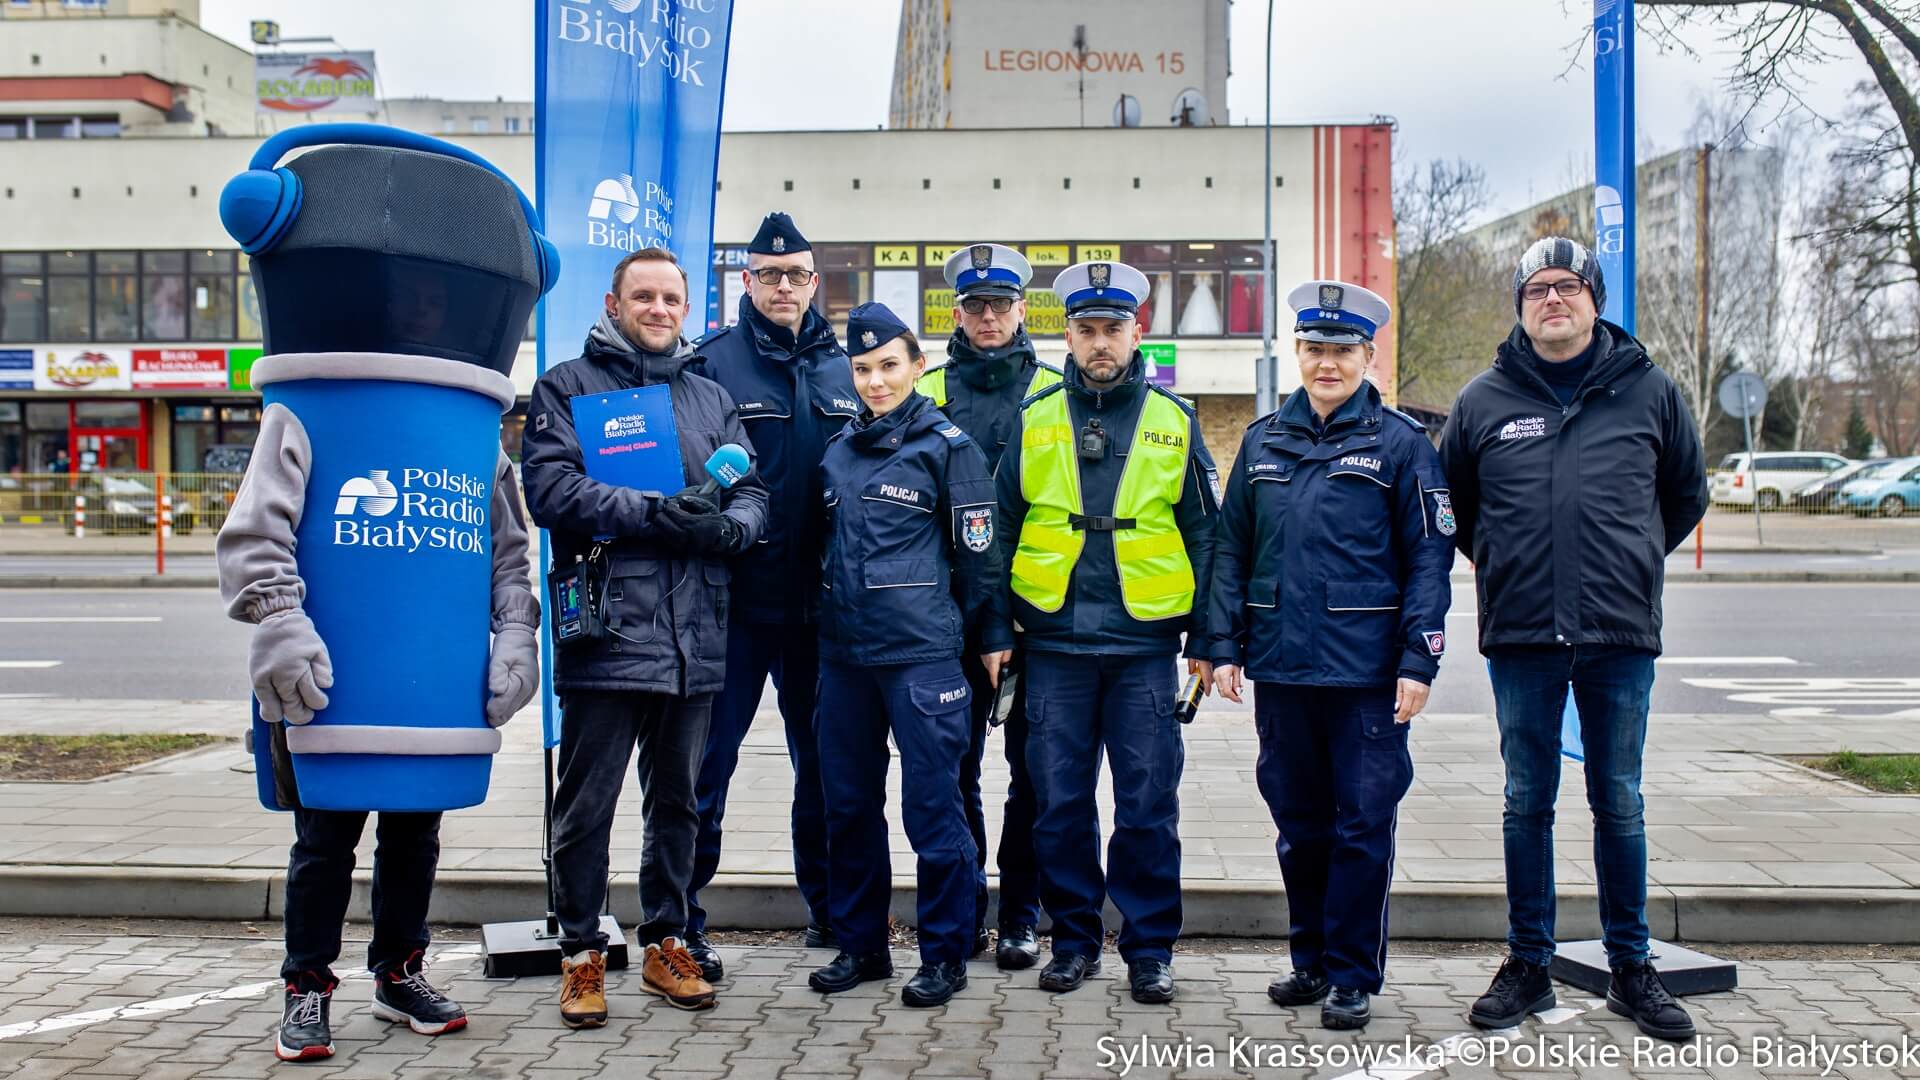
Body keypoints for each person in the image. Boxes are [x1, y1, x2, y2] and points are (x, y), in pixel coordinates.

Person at [1439, 237, 1708, 1042]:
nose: (1552, 299)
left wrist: (1625, 560)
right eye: (1536, 289)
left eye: (1568, 286)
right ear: (1520, 306)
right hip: (1522, 635)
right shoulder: (1483, 400)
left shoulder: (1650, 392)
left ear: (1594, 299)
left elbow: (1684, 495)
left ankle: (1632, 966)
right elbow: (1458, 507)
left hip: (1618, 636)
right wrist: (1509, 562)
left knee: (1618, 800)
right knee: (1527, 802)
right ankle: (1528, 962)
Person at [523, 247, 769, 1028]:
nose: (659, 309)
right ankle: (581, 954)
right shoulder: (567, 385)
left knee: (678, 806)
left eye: (671, 297)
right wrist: (654, 513)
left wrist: (728, 529)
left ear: (686, 308)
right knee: (586, 809)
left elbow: (753, 491)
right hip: (608, 632)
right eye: (644, 296)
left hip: (697, 635)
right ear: (614, 302)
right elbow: (551, 489)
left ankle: (667, 941)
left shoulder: (709, 396)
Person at [1208, 281, 1453, 1030]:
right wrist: (1219, 645)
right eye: (1314, 349)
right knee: (1299, 825)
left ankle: (1352, 973)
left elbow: (1428, 560)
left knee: (1361, 826)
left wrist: (1419, 659)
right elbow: (1230, 550)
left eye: (1342, 351)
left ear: (1367, 357)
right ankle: (1309, 962)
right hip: (1281, 669)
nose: (1326, 364)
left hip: (1367, 676)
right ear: (1299, 353)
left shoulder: (1401, 444)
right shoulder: (1262, 441)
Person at [994, 259, 1219, 1004]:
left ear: (1137, 333)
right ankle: (1077, 941)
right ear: (1067, 333)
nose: (1100, 343)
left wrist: (1213, 640)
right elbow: (997, 530)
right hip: (1053, 641)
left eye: (1112, 329)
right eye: (1086, 330)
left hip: (1144, 646)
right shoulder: (1035, 417)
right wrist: (997, 627)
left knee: (1149, 805)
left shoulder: (1173, 421)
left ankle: (1150, 949)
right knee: (1058, 804)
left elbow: (1206, 536)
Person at [808, 302, 1014, 1007]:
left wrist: (987, 636)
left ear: (918, 366)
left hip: (922, 658)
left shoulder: (948, 447)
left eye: (888, 365)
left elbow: (981, 560)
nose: (874, 380)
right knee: (849, 807)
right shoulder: (837, 451)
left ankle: (946, 954)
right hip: (844, 659)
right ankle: (862, 947)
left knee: (933, 808)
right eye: (862, 369)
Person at [682, 212, 859, 978]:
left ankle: (831, 913)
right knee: (702, 769)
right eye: (768, 275)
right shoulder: (710, 364)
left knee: (826, 771)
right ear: (746, 281)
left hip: (823, 612)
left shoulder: (849, 370)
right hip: (733, 606)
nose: (783, 287)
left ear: (815, 284)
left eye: (796, 276)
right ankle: (681, 922)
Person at [914, 242, 1061, 968]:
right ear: (958, 313)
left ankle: (1021, 918)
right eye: (975, 305)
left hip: (1036, 614)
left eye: (1001, 304)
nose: (989, 316)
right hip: (949, 616)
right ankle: (965, 907)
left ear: (1022, 309)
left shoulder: (1056, 392)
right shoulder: (928, 392)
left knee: (1033, 774)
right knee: (954, 769)